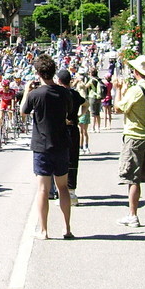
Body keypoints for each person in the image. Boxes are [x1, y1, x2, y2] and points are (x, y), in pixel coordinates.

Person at [20, 54, 73, 240]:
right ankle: (67, 228)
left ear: (38, 73)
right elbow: (69, 111)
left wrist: (27, 90)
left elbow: (23, 111)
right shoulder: (64, 92)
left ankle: (43, 230)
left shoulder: (35, 94)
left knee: (43, 189)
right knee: (63, 187)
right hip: (61, 144)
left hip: (42, 146)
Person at [116, 55, 145, 228]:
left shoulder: (136, 90)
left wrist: (119, 89)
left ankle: (133, 215)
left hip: (134, 136)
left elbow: (118, 108)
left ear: (136, 72)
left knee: (132, 177)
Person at [53, 69, 85, 207]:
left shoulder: (58, 94)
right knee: (72, 160)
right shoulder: (75, 93)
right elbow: (86, 105)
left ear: (59, 81)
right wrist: (78, 116)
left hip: (60, 130)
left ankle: (61, 192)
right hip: (73, 128)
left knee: (59, 160)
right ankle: (71, 192)